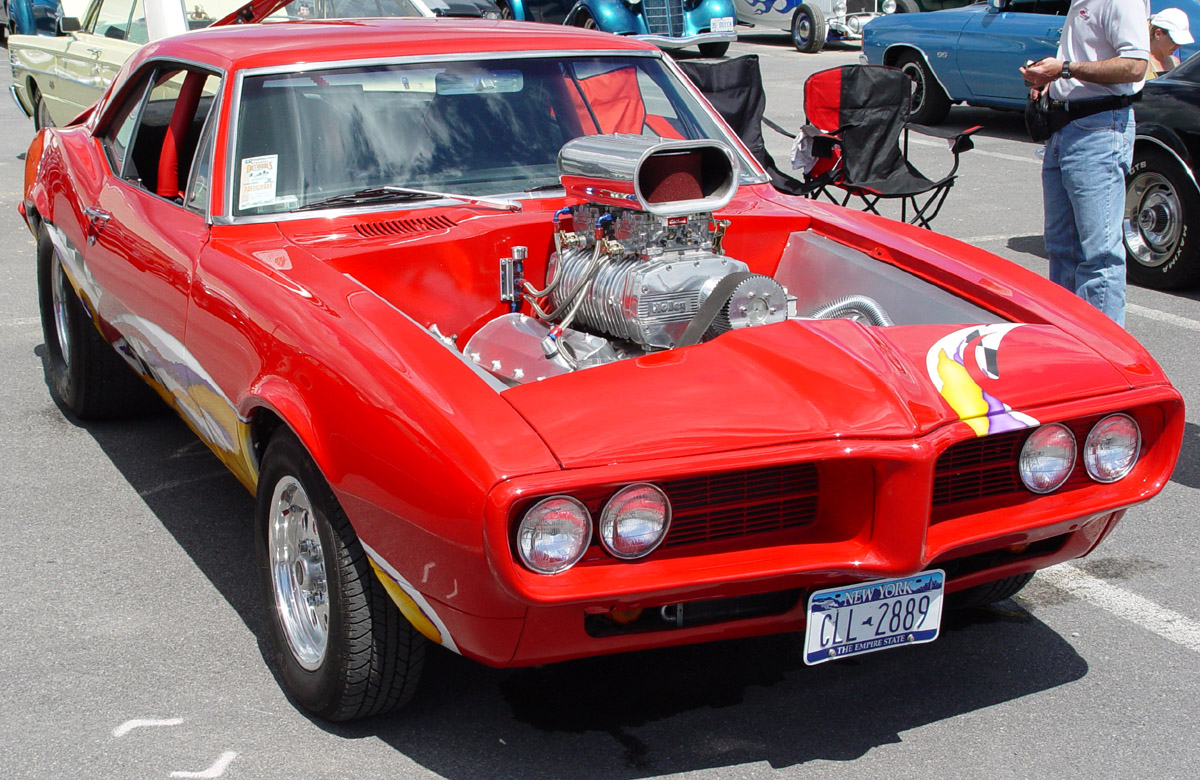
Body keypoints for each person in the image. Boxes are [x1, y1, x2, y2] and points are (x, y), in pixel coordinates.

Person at [1020, 0, 1150, 327]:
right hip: (1069, 125)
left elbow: (1135, 65)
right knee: (1063, 248)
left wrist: (1063, 70)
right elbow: (1089, 61)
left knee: (1099, 255)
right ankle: (1068, 344)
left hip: (1099, 126)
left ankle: (1105, 357)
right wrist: (1052, 82)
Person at [1148, 8, 1194, 77]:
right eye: (1174, 41)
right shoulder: (1143, 64)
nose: (1179, 46)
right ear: (1158, 34)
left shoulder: (1175, 62)